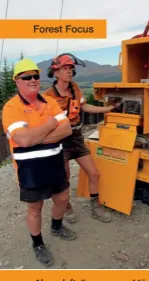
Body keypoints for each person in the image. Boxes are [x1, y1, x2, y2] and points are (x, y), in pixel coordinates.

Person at [2, 58, 75, 266]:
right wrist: (51, 123)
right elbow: (23, 139)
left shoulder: (49, 101)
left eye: (36, 76)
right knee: (35, 208)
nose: (33, 80)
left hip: (55, 162)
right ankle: (38, 244)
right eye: (27, 77)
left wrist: (37, 138)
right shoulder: (11, 108)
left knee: (62, 199)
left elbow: (67, 129)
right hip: (29, 170)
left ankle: (57, 226)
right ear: (16, 81)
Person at [41, 53, 117, 223]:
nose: (69, 71)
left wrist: (107, 109)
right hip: (60, 141)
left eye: (70, 68)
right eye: (64, 69)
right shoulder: (48, 96)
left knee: (94, 173)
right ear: (56, 72)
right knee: (64, 178)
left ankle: (95, 205)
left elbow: (84, 106)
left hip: (76, 137)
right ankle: (65, 206)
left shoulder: (75, 88)